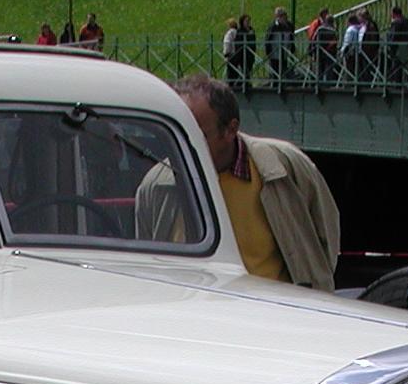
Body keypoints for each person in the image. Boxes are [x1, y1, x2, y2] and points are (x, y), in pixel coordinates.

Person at [138, 74, 339, 290]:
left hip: (271, 306)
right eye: (177, 133)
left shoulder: (284, 166)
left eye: (197, 135)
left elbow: (325, 233)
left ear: (230, 130)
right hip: (196, 307)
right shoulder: (156, 185)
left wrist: (315, 283)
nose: (184, 146)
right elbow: (147, 264)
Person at [264, 6, 294, 86]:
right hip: (274, 53)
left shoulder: (289, 26)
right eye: (281, 16)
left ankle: (282, 85)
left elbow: (291, 38)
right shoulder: (273, 26)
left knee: (283, 69)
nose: (283, 18)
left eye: (284, 15)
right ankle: (274, 85)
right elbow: (268, 39)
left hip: (284, 53)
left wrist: (292, 49)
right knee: (275, 71)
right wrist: (268, 52)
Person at [387, 6, 408, 84]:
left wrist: (389, 44)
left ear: (395, 14)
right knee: (403, 65)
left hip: (397, 47)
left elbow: (394, 36)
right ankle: (404, 82)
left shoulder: (396, 23)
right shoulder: (407, 21)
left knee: (397, 66)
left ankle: (397, 83)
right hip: (406, 45)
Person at [223, 18, 243, 89]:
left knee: (230, 72)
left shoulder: (229, 33)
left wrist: (226, 54)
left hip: (231, 54)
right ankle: (238, 84)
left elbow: (227, 43)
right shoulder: (238, 32)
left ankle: (230, 86)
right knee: (237, 70)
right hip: (238, 54)